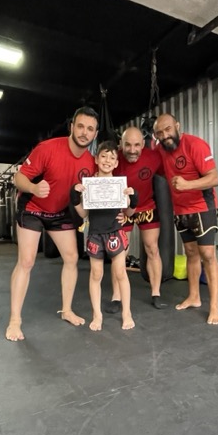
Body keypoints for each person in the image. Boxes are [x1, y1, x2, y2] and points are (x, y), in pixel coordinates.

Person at [5, 106, 99, 342]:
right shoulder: (47, 148)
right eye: (80, 126)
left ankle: (66, 310)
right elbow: (19, 177)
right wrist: (33, 187)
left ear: (95, 134)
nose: (84, 132)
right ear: (72, 127)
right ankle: (15, 320)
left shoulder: (91, 163)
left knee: (72, 258)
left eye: (90, 129)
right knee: (27, 261)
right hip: (33, 208)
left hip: (60, 212)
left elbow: (97, 194)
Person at [153, 113, 218, 325]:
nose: (165, 135)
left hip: (203, 206)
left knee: (207, 254)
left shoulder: (195, 145)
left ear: (177, 126)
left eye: (168, 129)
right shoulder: (160, 150)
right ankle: (194, 297)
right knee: (191, 253)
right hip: (181, 210)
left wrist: (187, 185)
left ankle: (214, 306)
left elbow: (214, 178)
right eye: (159, 133)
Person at [71, 140, 138, 332]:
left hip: (115, 232)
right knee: (96, 274)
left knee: (120, 273)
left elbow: (129, 213)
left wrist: (133, 199)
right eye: (104, 156)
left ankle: (127, 313)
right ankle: (97, 315)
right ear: (96, 159)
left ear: (116, 163)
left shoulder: (120, 186)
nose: (107, 160)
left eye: (112, 158)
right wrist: (75, 198)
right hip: (95, 234)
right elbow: (83, 214)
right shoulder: (89, 185)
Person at [107, 126, 165, 311]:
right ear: (121, 144)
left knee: (152, 248)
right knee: (119, 254)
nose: (132, 150)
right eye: (128, 145)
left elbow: (170, 172)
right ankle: (116, 297)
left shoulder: (154, 157)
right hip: (123, 210)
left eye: (137, 145)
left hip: (147, 207)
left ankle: (156, 293)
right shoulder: (113, 159)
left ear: (143, 145)